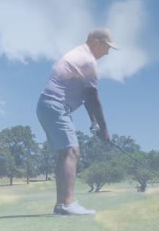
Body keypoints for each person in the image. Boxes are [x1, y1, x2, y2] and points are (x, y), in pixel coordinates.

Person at [36, 28, 118, 215]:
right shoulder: (88, 61)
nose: (107, 52)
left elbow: (85, 97)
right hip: (56, 106)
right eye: (106, 47)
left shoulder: (79, 54)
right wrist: (104, 129)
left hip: (47, 106)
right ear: (96, 42)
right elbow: (93, 99)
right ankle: (67, 204)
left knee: (64, 153)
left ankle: (61, 205)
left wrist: (94, 123)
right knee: (71, 151)